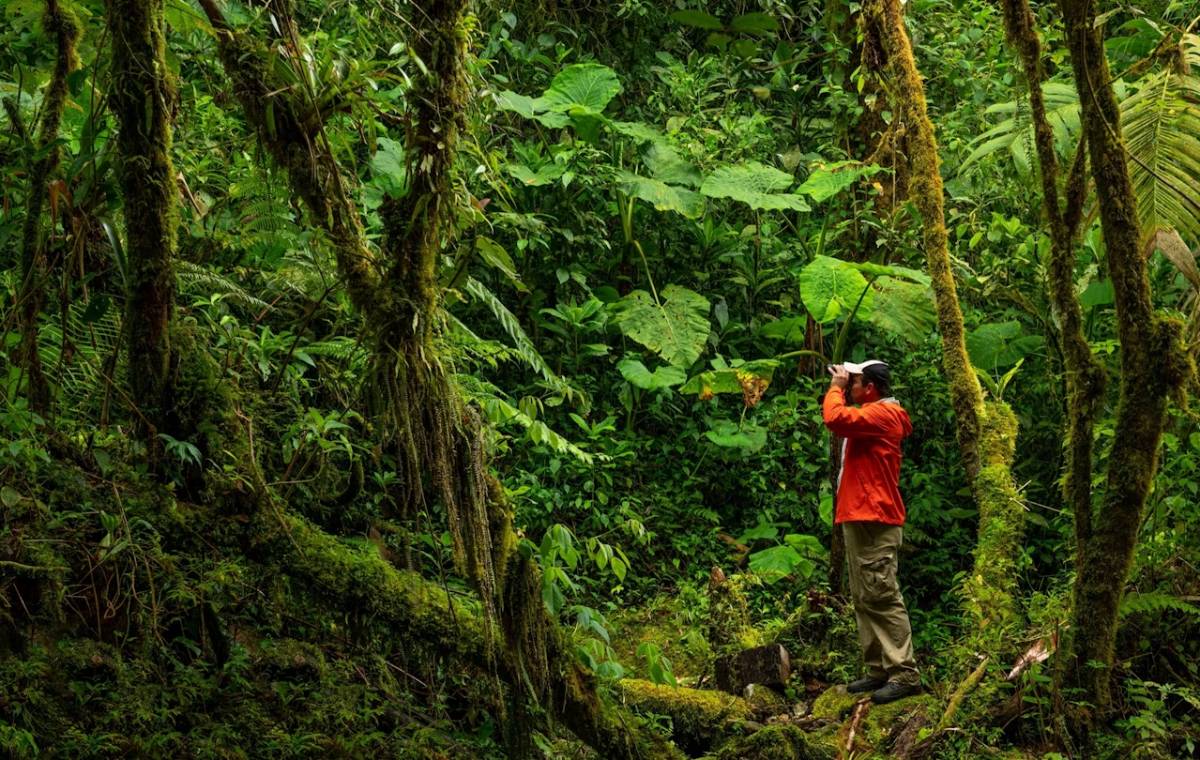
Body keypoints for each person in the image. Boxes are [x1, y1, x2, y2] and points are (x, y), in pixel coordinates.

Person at [822, 360, 921, 704]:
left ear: (872, 387)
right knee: (864, 595)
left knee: (881, 593)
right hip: (860, 513)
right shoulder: (873, 414)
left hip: (875, 517)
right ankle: (879, 669)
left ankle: (904, 672)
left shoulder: (885, 414)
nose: (850, 386)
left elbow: (836, 418)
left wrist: (835, 387)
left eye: (855, 381)